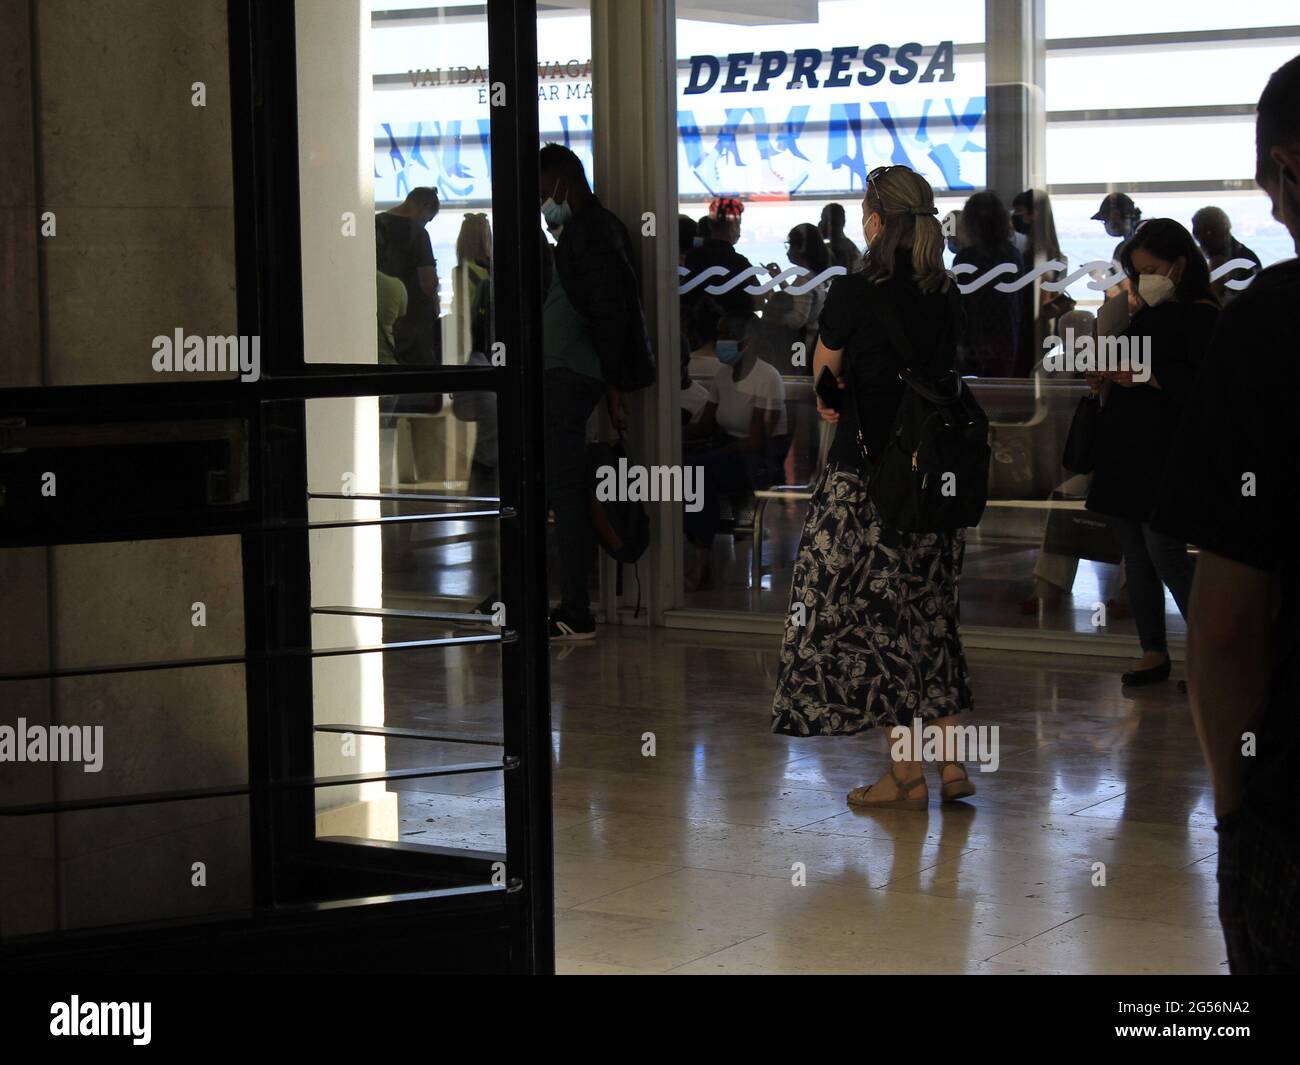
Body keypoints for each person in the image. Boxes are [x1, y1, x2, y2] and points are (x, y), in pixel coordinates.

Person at [1154, 54, 1300, 974]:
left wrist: (1237, 812)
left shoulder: (1274, 325)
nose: (1282, 219)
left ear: (1292, 164)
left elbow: (1226, 626)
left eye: (1278, 196)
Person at [771, 165, 976, 809]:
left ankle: (905, 774)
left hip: (867, 486)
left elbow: (824, 374)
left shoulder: (856, 292)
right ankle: (952, 768)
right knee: (931, 619)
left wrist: (833, 395)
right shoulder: (946, 292)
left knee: (871, 624)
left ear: (876, 220)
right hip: (933, 487)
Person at [1085, 218, 1219, 687]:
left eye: (1151, 268)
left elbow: (1206, 387)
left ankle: (1213, 654)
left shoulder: (1203, 314)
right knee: (1136, 552)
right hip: (1129, 443)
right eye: (1137, 271)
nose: (1144, 279)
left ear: (1179, 264)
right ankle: (1153, 649)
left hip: (1164, 448)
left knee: (1164, 550)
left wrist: (1146, 376)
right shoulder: (1147, 313)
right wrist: (1107, 374)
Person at [538, 143, 654, 640]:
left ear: (563, 184)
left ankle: (576, 608)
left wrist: (613, 384)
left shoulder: (592, 235)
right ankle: (566, 600)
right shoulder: (586, 233)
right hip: (568, 372)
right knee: (561, 487)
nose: (542, 203)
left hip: (569, 375)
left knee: (564, 490)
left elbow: (610, 314)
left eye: (544, 192)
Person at [683, 312, 787, 589]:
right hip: (728, 453)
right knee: (682, 469)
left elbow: (757, 441)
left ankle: (701, 562)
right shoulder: (723, 375)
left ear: (748, 341)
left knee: (696, 471)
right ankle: (697, 551)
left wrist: (714, 451)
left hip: (758, 461)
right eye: (720, 336)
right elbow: (706, 423)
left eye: (728, 336)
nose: (721, 343)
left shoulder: (767, 377)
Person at [953, 190, 1023, 377]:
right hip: (1006, 342)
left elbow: (961, 305)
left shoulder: (966, 258)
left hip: (974, 344)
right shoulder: (1012, 255)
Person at [375, 186, 441, 365]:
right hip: (413, 327)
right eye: (429, 218)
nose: (426, 223)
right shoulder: (418, 233)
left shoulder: (374, 224)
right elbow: (428, 283)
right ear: (424, 206)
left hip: (380, 321)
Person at [755, 222, 832, 375]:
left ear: (801, 248)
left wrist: (770, 301)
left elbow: (798, 319)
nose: (788, 250)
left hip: (799, 350)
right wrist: (779, 280)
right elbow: (799, 298)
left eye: (790, 245)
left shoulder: (804, 280)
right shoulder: (814, 277)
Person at [683, 197, 755, 330]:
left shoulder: (692, 259)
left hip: (695, 335)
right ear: (733, 226)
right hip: (730, 336)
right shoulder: (740, 263)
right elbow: (756, 301)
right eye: (738, 225)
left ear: (710, 225)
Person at [1191, 206, 1263, 305]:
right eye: (1198, 235)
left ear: (1224, 230)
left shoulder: (1246, 262)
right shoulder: (1244, 259)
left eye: (1208, 233)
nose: (1203, 241)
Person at [452, 211, 492, 361]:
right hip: (494, 338)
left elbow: (463, 312)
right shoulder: (492, 271)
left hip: (473, 342)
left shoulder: (460, 272)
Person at [819, 202, 862, 273]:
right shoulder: (850, 247)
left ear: (830, 224)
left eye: (822, 219)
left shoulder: (833, 250)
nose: (820, 224)